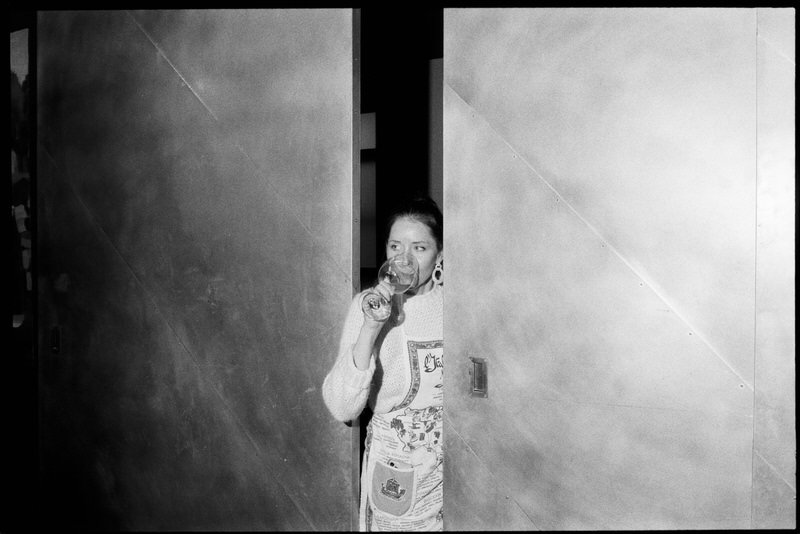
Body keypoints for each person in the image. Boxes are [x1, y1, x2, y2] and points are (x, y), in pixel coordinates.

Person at [323, 196, 444, 531]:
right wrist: (372, 327)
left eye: (419, 248)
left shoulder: (457, 304)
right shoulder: (367, 305)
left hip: (451, 475)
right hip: (397, 476)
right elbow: (342, 407)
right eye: (395, 246)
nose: (403, 259)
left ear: (440, 255)